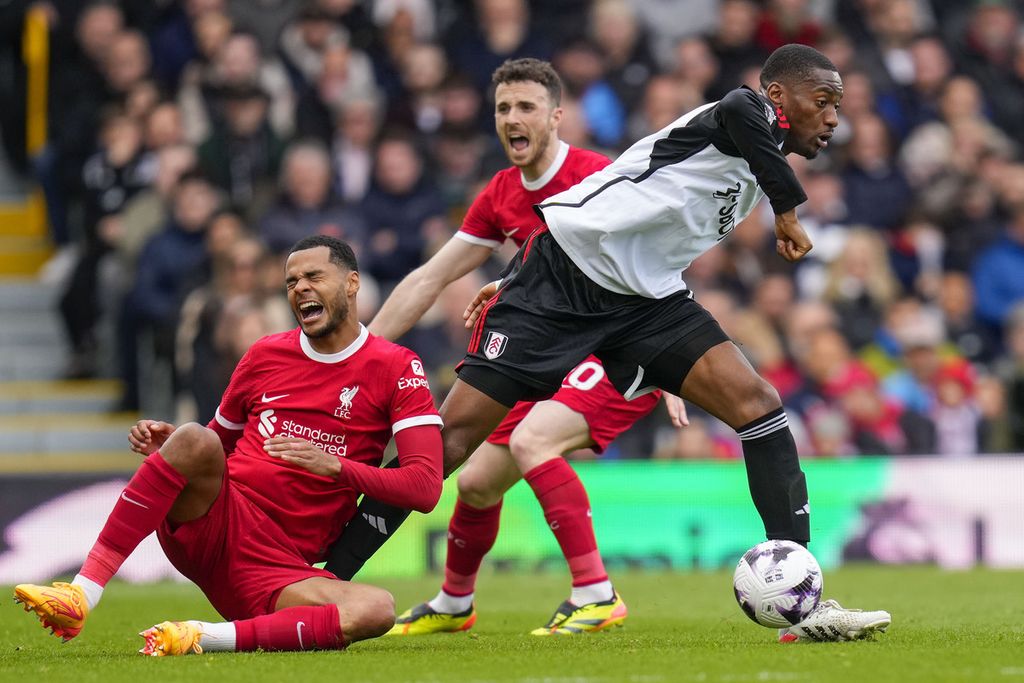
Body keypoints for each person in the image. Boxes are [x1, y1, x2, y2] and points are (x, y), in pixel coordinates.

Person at [446, 43, 889, 643]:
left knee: (759, 407)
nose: (836, 117)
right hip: (568, 298)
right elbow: (734, 108)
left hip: (642, 308)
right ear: (779, 98)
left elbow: (634, 222)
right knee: (463, 456)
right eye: (825, 101)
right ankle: (336, 565)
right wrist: (787, 207)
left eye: (839, 105)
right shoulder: (734, 119)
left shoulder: (752, 159)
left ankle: (800, 594)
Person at [324, 58, 674, 637]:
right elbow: (428, 279)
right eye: (503, 109)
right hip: (551, 356)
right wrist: (357, 355)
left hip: (620, 351)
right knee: (475, 481)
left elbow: (661, 259)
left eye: (526, 107)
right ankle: (453, 602)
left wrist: (677, 360)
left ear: (557, 117)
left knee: (536, 440)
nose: (513, 118)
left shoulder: (598, 177)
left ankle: (596, 594)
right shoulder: (503, 193)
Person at [13, 236, 444, 656]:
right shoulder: (264, 355)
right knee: (192, 437)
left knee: (376, 609)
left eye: (314, 276)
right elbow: (213, 442)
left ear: (352, 283)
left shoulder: (395, 366)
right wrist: (173, 448)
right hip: (217, 523)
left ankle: (202, 636)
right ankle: (81, 595)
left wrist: (335, 467)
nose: (301, 289)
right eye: (291, 282)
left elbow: (424, 488)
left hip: (282, 568)